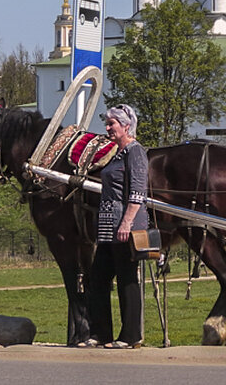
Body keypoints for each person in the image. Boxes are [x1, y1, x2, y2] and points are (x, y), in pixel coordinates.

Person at [87, 104, 148, 349]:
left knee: (127, 279)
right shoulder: (118, 153)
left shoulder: (135, 152)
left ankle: (130, 335)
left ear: (126, 126)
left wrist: (127, 222)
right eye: (108, 123)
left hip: (125, 227)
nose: (108, 128)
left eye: (112, 123)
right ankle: (101, 333)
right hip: (108, 228)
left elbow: (137, 191)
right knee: (99, 277)